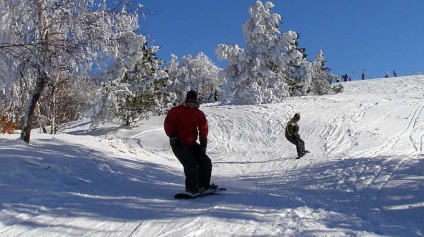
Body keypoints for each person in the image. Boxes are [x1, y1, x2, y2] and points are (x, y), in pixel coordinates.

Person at [164, 90, 216, 194]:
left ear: (196, 101)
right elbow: (168, 124)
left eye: (193, 101)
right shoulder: (176, 111)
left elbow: (203, 128)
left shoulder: (199, 114)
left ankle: (204, 185)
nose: (191, 103)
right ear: (186, 100)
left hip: (191, 143)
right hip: (178, 143)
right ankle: (191, 188)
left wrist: (203, 143)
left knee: (206, 161)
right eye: (189, 101)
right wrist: (173, 137)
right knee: (191, 163)